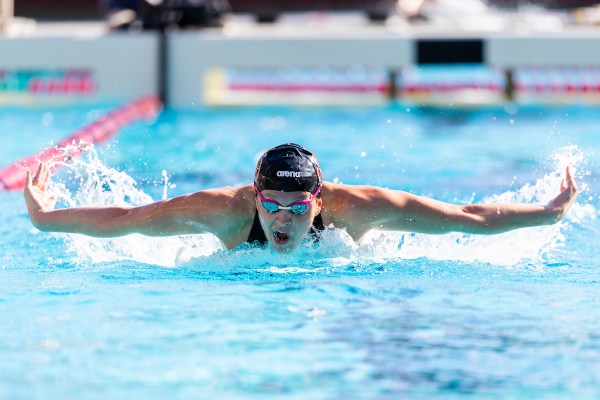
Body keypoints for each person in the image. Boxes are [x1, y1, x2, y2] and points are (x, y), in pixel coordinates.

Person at [24, 143, 578, 253]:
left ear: (318, 200)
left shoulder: (359, 208)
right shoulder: (224, 211)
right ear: (255, 194)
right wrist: (46, 219)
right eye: (271, 205)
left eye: (295, 208)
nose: (281, 219)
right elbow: (127, 220)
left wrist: (550, 212)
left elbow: (467, 218)